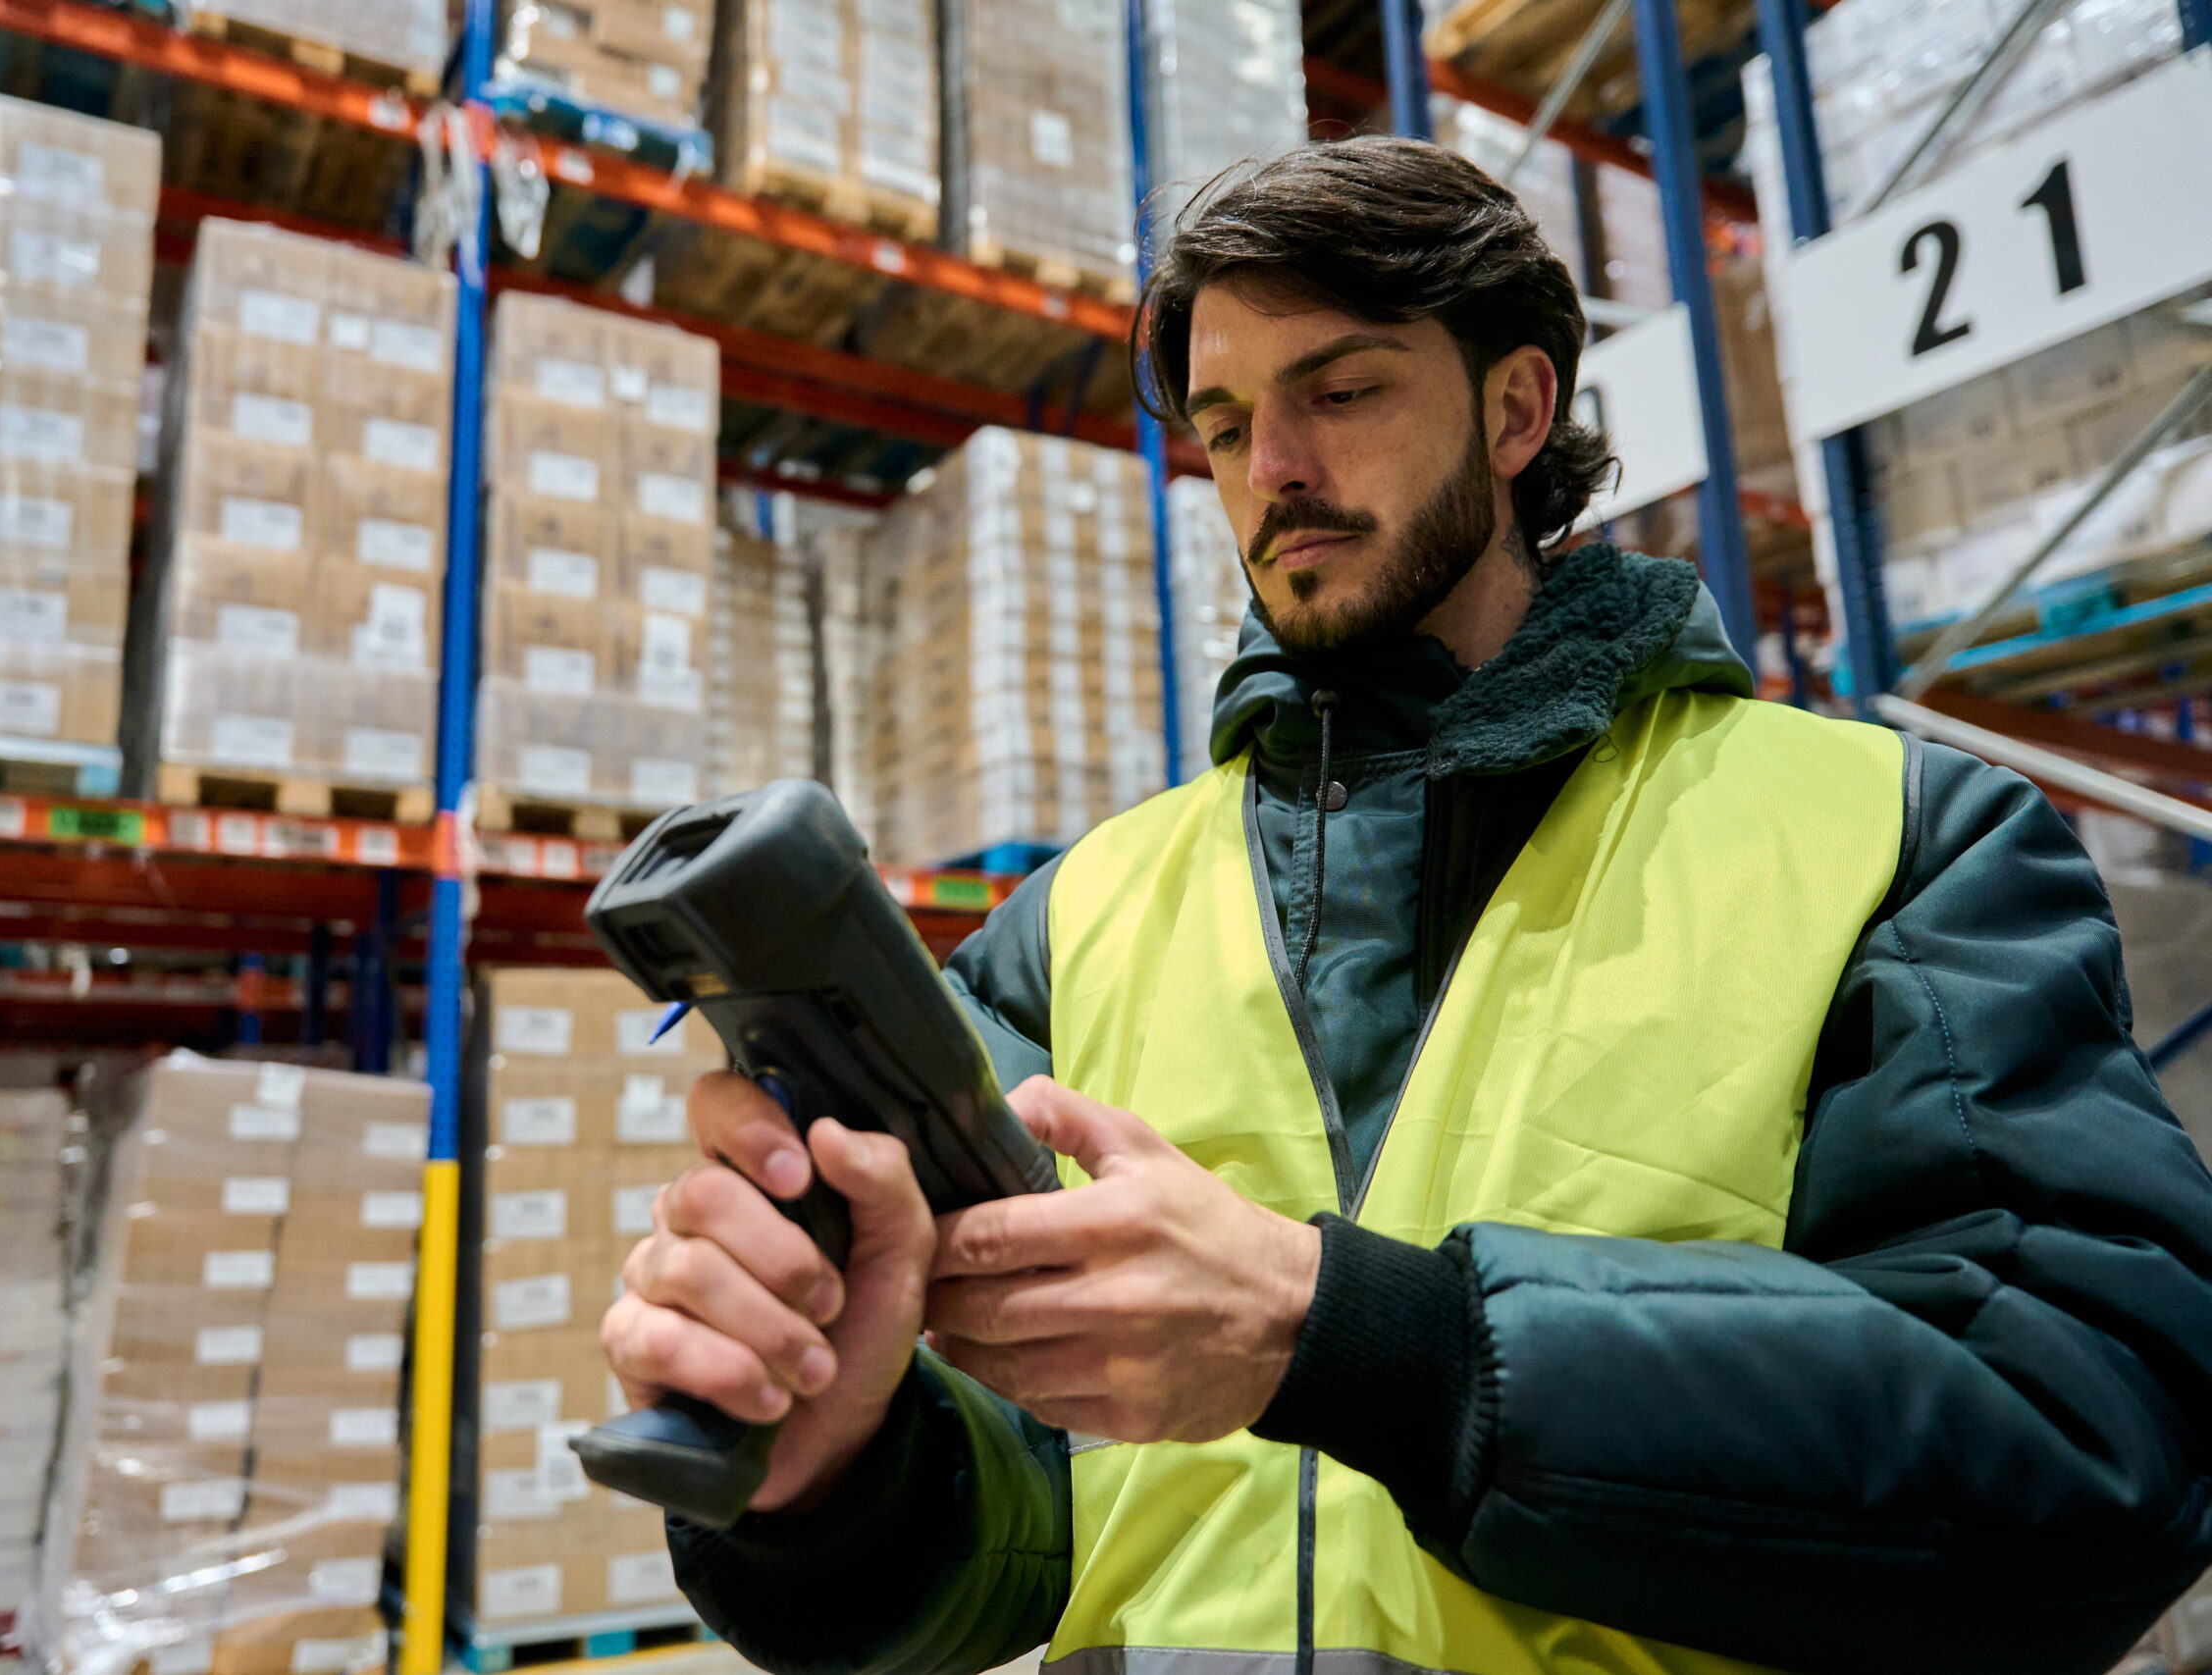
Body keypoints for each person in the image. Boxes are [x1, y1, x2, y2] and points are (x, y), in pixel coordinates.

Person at [598, 136, 2212, 1675]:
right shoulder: (1079, 915)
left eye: (1342, 389)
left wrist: (1362, 1343)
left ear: (1517, 410)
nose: (1275, 472)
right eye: (1226, 427)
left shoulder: (1896, 840)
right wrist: (837, 1472)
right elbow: (1026, 1520)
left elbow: (2088, 1447)